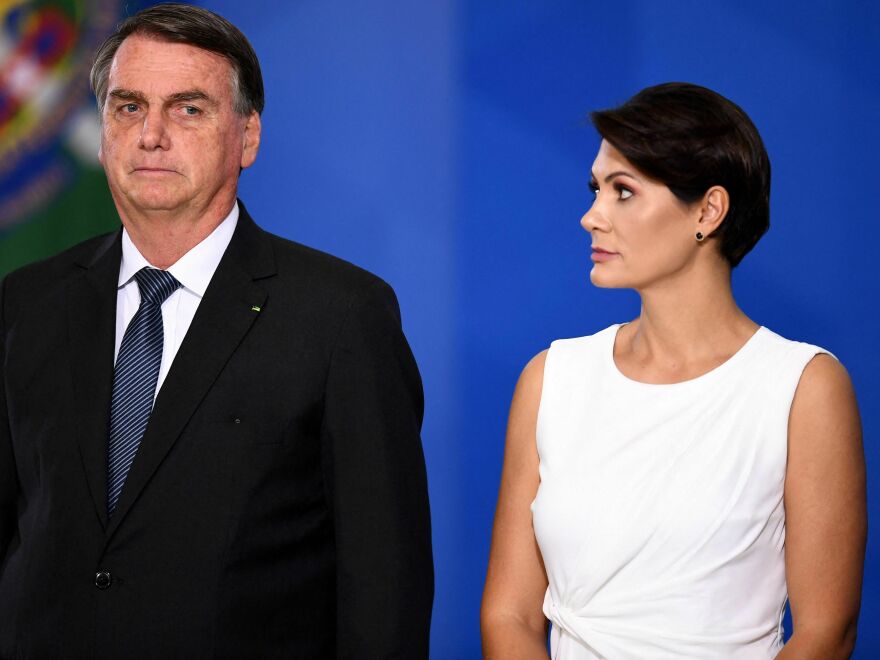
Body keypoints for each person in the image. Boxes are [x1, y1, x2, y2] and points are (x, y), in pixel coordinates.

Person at [0, 4, 433, 658]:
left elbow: (384, 584)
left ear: (248, 137)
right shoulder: (28, 300)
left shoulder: (341, 315)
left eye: (188, 109)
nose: (151, 134)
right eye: (127, 107)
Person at [481, 82, 865, 659]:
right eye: (596, 189)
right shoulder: (551, 378)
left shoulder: (803, 387)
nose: (591, 217)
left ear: (708, 211)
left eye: (623, 192)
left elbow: (826, 632)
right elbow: (508, 614)